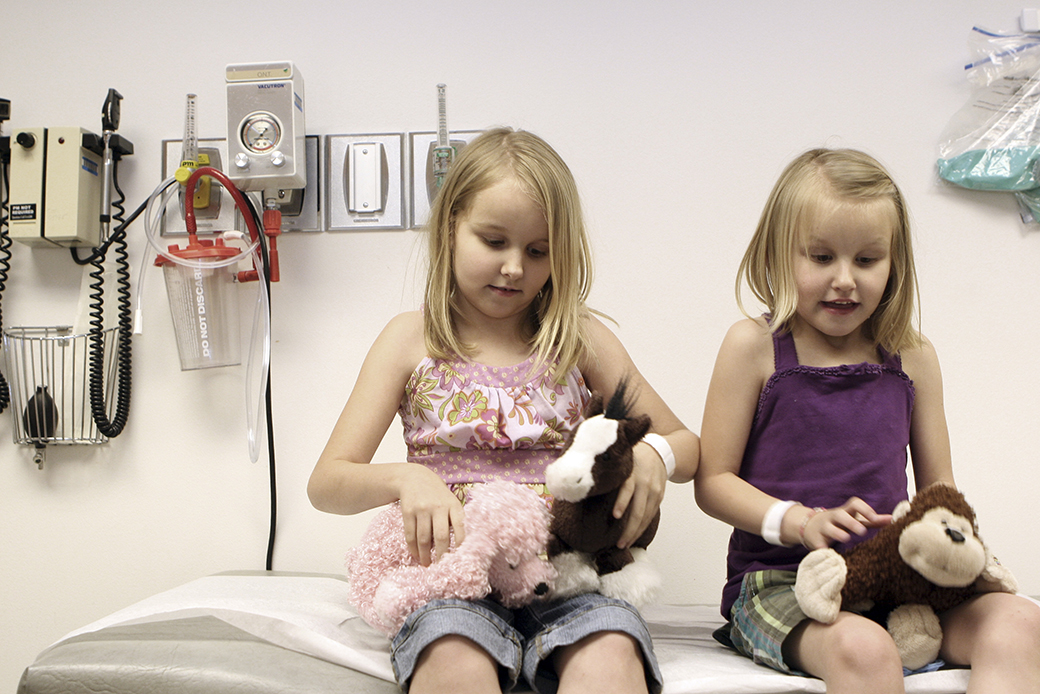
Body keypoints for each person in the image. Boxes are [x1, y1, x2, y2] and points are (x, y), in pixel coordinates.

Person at [309, 127, 699, 694]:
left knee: (612, 653)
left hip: (570, 581)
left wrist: (654, 457)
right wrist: (405, 477)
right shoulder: (408, 340)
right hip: (450, 582)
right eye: (494, 242)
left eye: (538, 251)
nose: (515, 267)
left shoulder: (579, 339)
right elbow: (327, 483)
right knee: (452, 661)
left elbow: (687, 446)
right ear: (450, 229)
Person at [695, 148, 1040, 694]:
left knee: (1024, 620)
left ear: (894, 263)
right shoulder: (754, 348)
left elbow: (940, 488)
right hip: (780, 583)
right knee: (864, 647)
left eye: (866, 260)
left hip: (897, 576)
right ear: (779, 255)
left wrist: (941, 536)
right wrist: (801, 522)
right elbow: (712, 483)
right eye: (821, 257)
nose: (844, 280)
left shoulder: (913, 356)